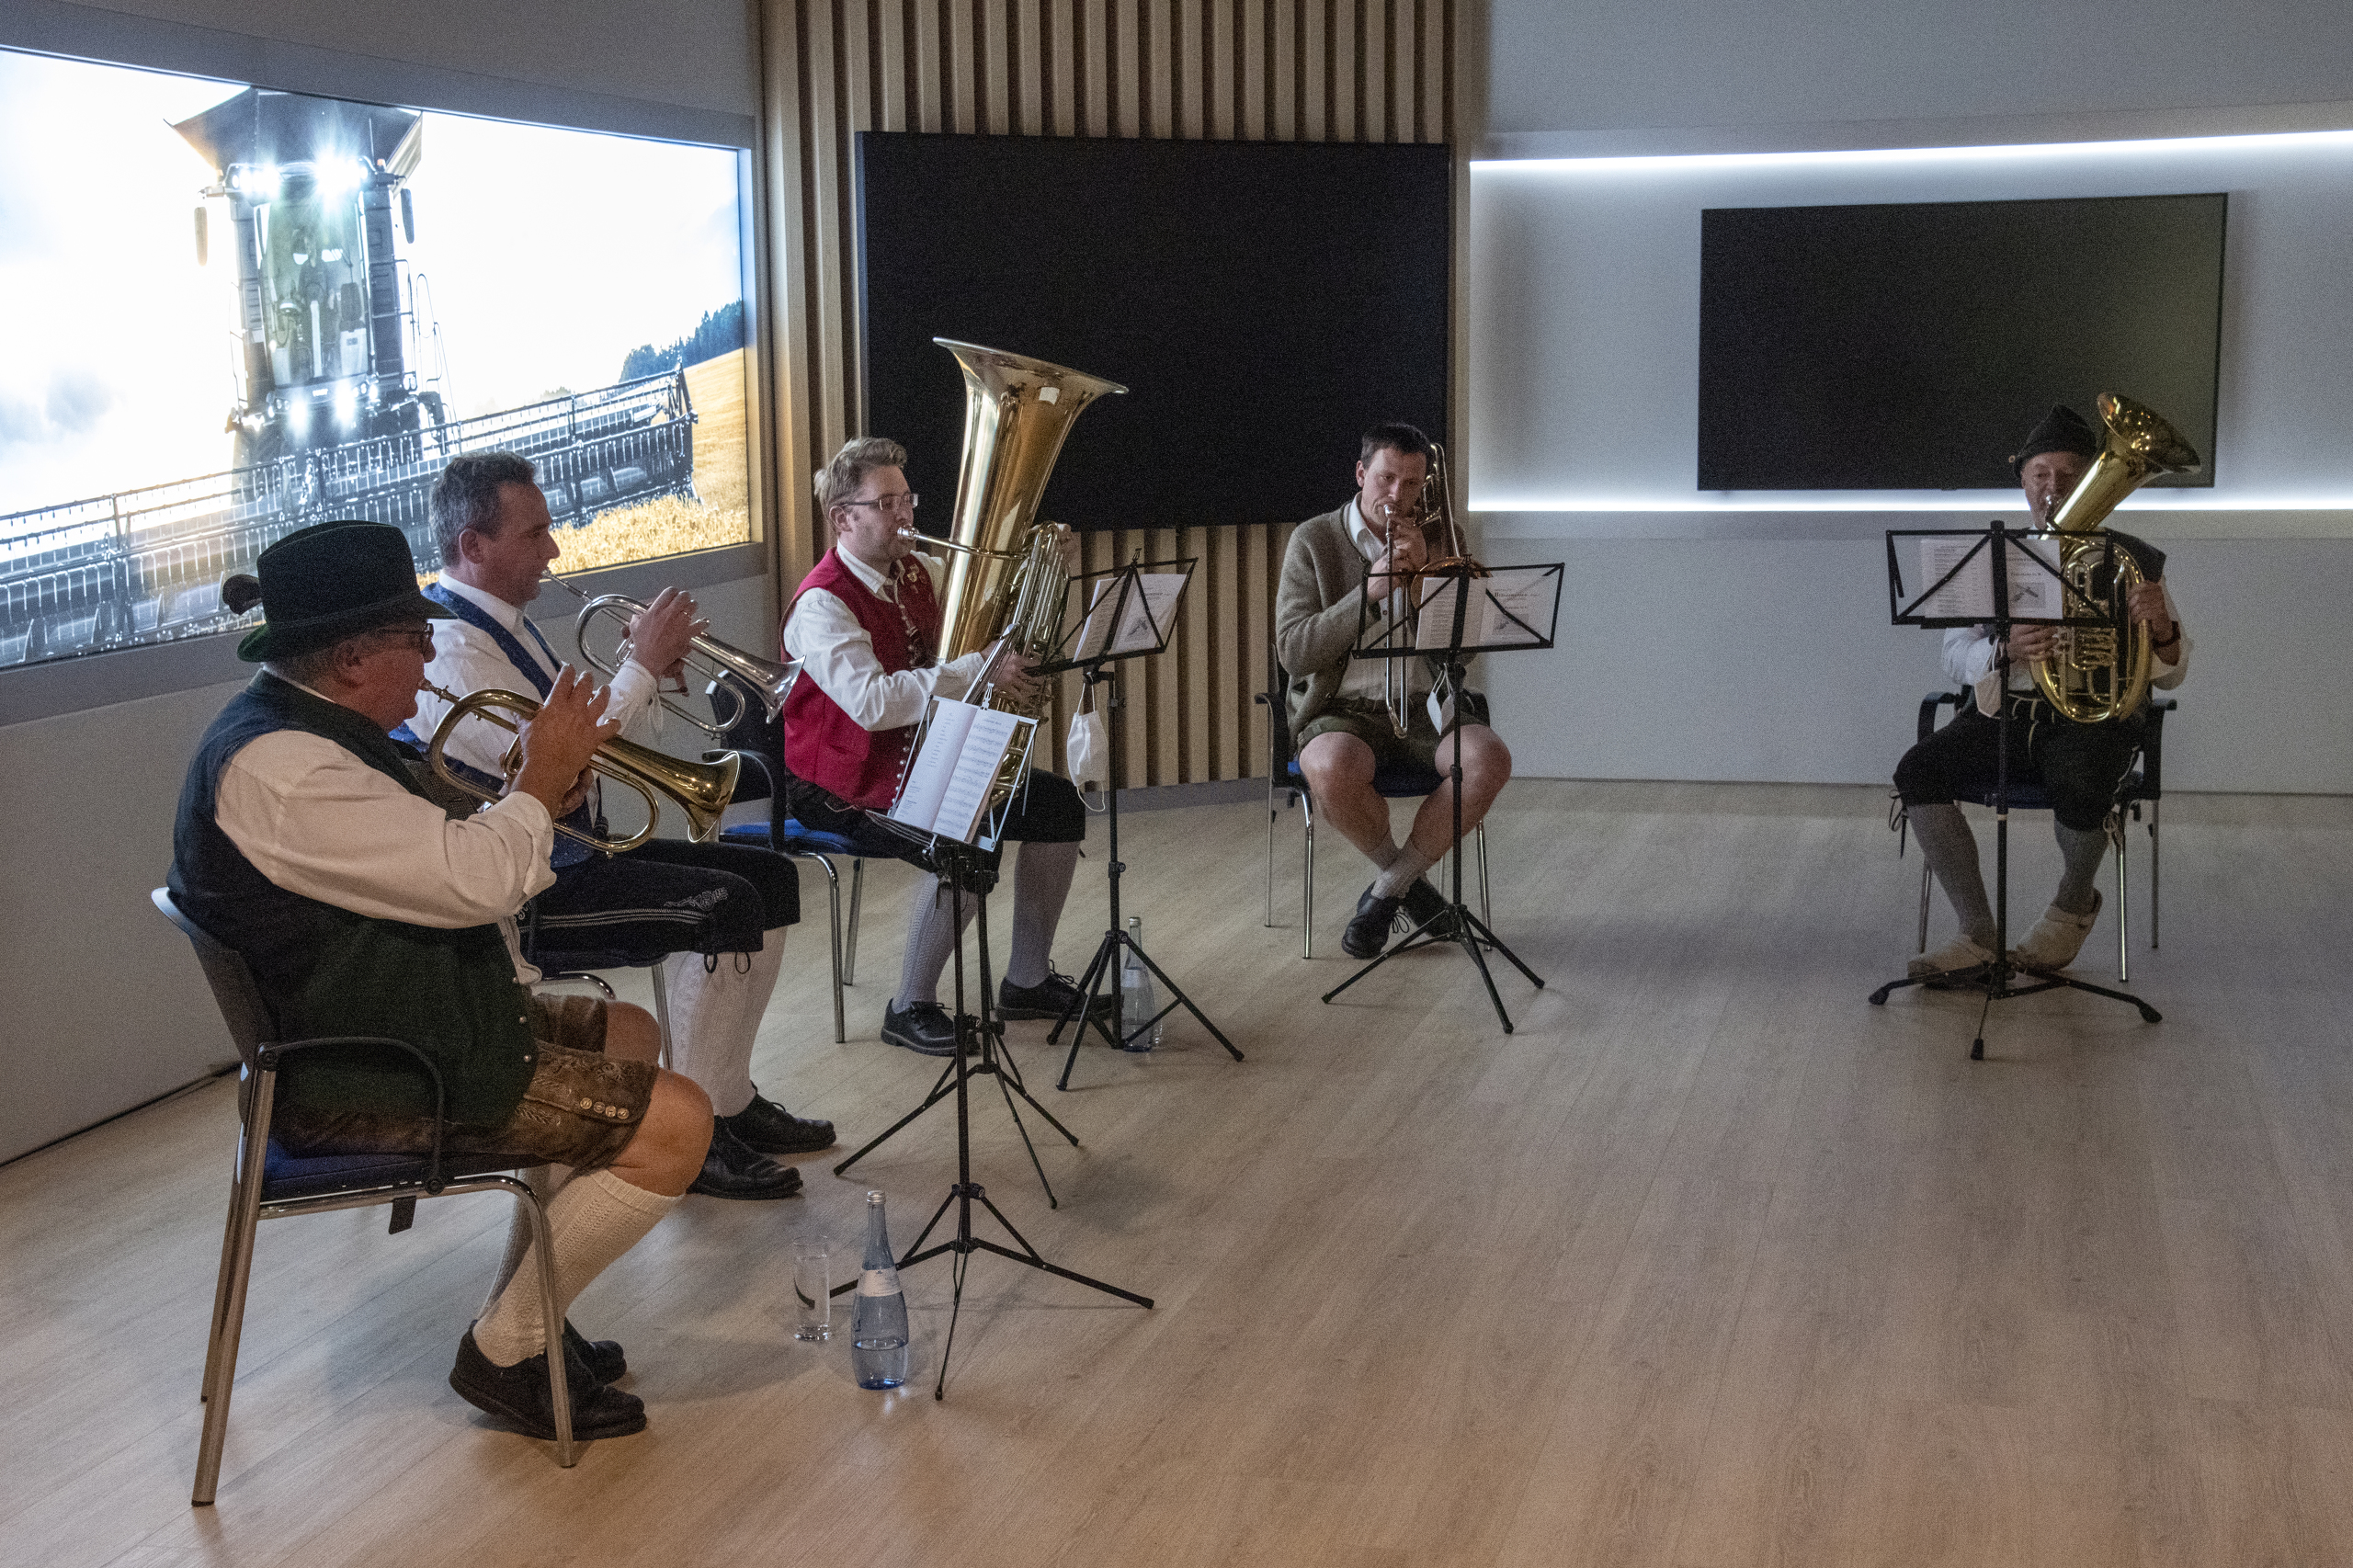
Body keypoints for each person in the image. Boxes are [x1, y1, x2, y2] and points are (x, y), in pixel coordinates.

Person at [170, 519, 710, 1442]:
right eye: (415, 639)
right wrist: (539, 780)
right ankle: (506, 1352)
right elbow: (476, 883)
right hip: (364, 1069)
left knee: (631, 1036)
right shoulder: (285, 768)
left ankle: (527, 1311)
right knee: (682, 1121)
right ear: (350, 658)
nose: (429, 662)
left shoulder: (316, 730)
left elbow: (435, 855)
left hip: (390, 1014)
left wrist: (530, 793)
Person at [404, 451, 824, 1200]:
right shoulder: (452, 647)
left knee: (769, 877)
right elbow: (555, 757)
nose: (553, 549)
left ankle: (727, 1096)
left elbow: (576, 738)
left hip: (571, 857)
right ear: (473, 546)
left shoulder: (504, 628)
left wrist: (643, 673)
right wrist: (639, 667)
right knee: (728, 904)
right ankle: (700, 1132)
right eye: (534, 534)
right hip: (527, 891)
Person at [779, 436, 1114, 1055]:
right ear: (842, 518)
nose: (905, 515)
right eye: (886, 504)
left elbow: (999, 616)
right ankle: (908, 1005)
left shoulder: (919, 572)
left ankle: (1026, 981)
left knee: (1056, 806)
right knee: (964, 838)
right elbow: (874, 704)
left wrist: (1050, 569)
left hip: (918, 759)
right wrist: (977, 668)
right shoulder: (821, 603)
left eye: (907, 499)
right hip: (839, 783)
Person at [1895, 404, 2192, 977]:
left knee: (2082, 783)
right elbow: (1953, 655)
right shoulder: (1994, 558)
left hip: (2090, 724)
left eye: (2068, 475)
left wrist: (2161, 627)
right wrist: (2004, 651)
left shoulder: (2132, 560)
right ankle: (1978, 935)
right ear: (2024, 482)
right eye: (2040, 475)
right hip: (2004, 716)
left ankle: (2071, 907)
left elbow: (2173, 673)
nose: (2052, 487)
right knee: (1918, 771)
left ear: (2090, 479)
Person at [1276, 422, 1514, 960]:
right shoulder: (1313, 540)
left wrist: (1427, 579)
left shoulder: (1443, 535)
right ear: (1361, 473)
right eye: (1386, 479)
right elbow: (1294, 651)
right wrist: (1369, 593)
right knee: (1330, 768)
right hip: (1342, 708)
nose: (1397, 495)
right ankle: (1409, 883)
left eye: (1411, 484)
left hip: (1425, 704)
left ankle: (1388, 889)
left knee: (1489, 760)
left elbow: (1462, 655)